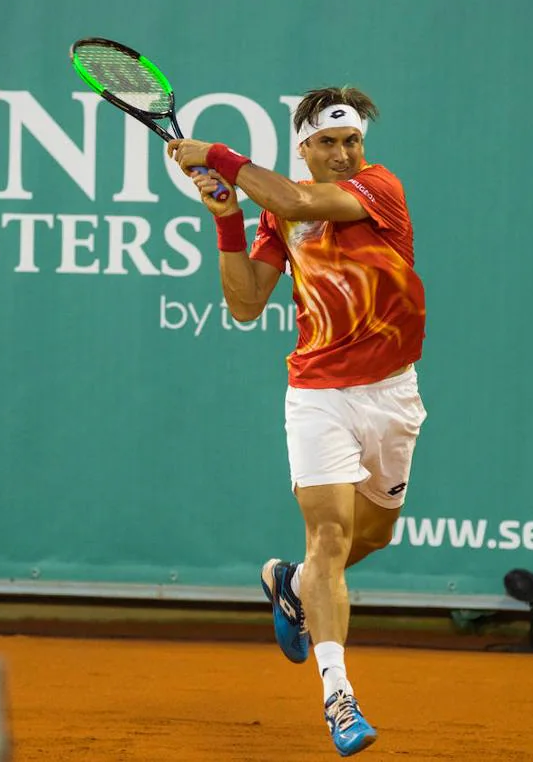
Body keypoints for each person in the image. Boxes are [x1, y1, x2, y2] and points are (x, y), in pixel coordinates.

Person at [168, 86, 427, 757]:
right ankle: (339, 697)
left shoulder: (378, 187)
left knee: (372, 536)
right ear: (304, 148)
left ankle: (290, 583)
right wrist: (225, 217)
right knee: (331, 538)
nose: (344, 154)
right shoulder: (276, 216)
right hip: (318, 395)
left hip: (393, 395)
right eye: (328, 143)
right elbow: (246, 303)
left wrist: (217, 156)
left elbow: (298, 200)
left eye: (352, 141)